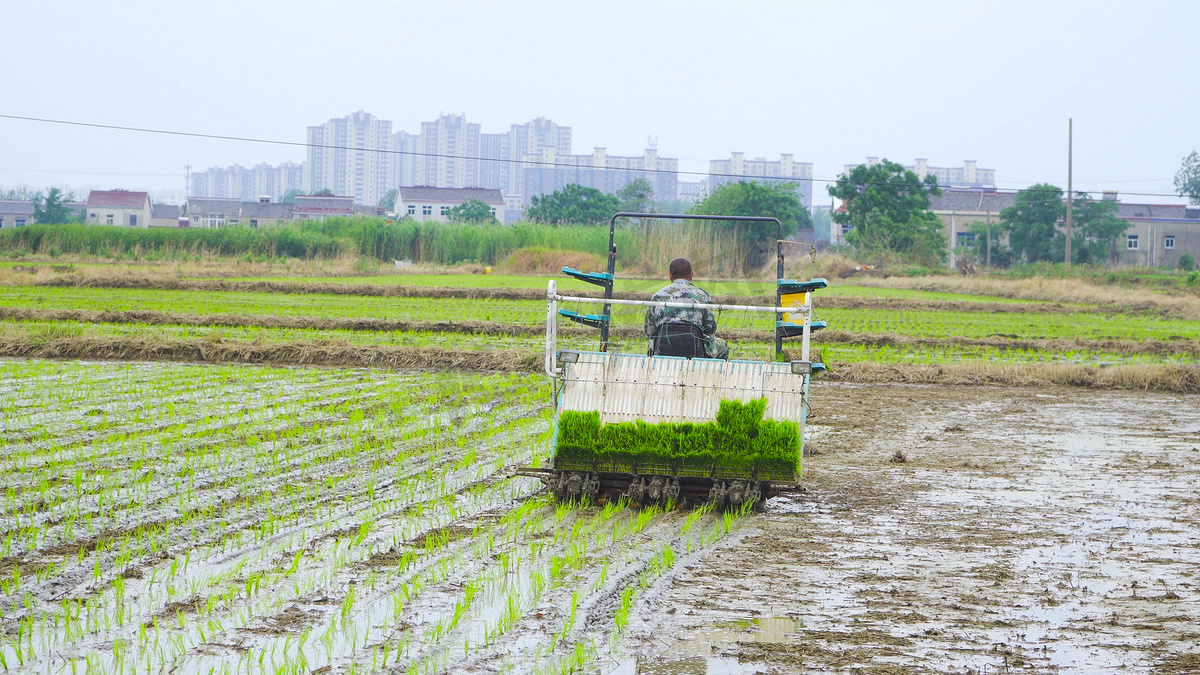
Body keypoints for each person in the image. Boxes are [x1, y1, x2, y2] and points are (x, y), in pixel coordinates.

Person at [643, 258, 729, 360]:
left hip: (663, 349)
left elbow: (649, 332)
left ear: (670, 275)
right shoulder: (703, 296)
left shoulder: (657, 297)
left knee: (651, 345)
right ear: (691, 275)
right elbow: (710, 331)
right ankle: (707, 373)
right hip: (696, 349)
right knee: (723, 346)